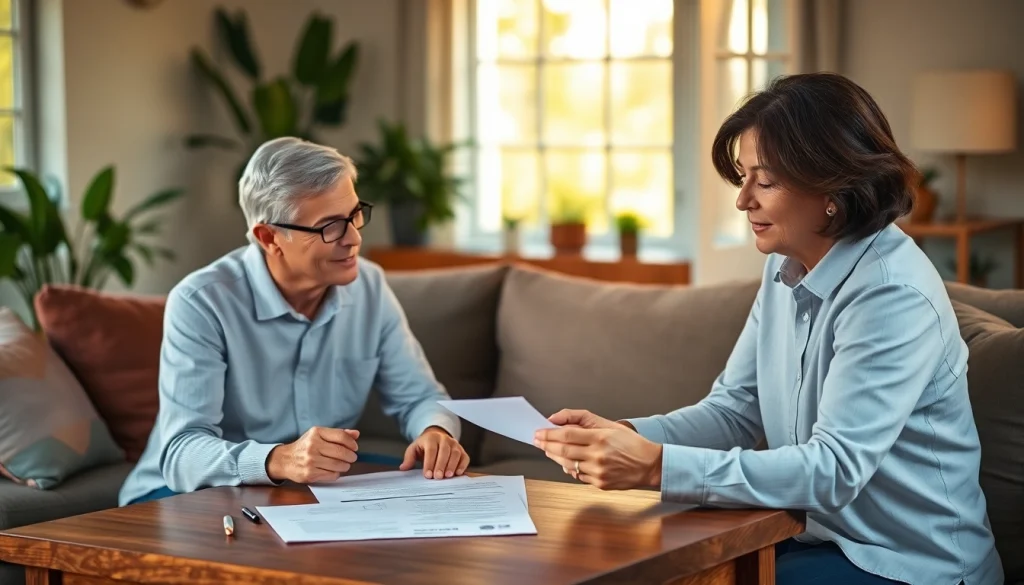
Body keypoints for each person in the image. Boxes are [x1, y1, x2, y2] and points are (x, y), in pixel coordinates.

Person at [533, 73, 1003, 585]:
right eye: (743, 176)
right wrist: (628, 435)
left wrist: (654, 467)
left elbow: (834, 469)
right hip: (815, 539)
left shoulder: (892, 293)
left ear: (833, 187)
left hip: (908, 563)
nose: (743, 200)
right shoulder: (785, 266)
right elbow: (735, 410)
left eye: (768, 180)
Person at [119, 137, 468, 507]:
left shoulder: (370, 285)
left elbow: (420, 397)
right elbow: (182, 454)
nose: (353, 238)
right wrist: (280, 459)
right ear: (269, 237)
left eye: (355, 214)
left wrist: (435, 431)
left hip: (301, 489)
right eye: (330, 226)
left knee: (434, 494)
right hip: (178, 494)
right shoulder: (201, 302)